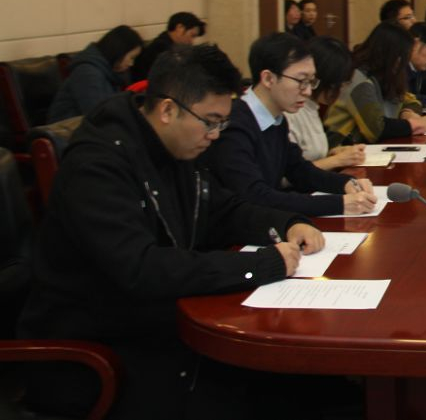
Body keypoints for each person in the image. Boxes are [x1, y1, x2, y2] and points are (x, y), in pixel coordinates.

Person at [19, 43, 326, 420]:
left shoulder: (177, 145)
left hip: (161, 322)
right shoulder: (97, 165)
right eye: (211, 121)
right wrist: (258, 266)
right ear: (167, 110)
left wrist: (286, 222)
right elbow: (141, 267)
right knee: (266, 388)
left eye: (222, 123)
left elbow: (222, 210)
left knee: (296, 383)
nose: (216, 135)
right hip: (103, 347)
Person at [205, 33, 376, 217]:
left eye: (311, 81)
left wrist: (346, 183)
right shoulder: (234, 124)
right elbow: (255, 195)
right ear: (268, 79)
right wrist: (340, 204)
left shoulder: (277, 119)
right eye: (301, 81)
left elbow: (299, 170)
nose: (308, 91)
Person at [325, 22, 426, 145]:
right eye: (401, 56)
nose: (402, 62)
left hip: (370, 148)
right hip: (342, 147)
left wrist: (406, 113)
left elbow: (412, 101)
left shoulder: (386, 76)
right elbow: (376, 130)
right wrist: (417, 124)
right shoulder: (358, 79)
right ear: (389, 54)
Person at [287, 36, 367, 170]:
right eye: (340, 84)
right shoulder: (292, 111)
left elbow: (308, 157)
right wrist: (336, 161)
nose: (341, 90)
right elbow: (291, 173)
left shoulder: (312, 106)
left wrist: (333, 154)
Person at [48, 25, 143, 122]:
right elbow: (98, 116)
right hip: (66, 129)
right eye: (131, 58)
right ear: (118, 52)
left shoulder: (113, 72)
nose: (131, 63)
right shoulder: (87, 72)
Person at [130, 11, 206, 82]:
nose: (192, 42)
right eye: (192, 35)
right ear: (180, 28)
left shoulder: (165, 44)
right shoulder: (161, 48)